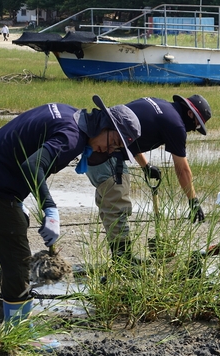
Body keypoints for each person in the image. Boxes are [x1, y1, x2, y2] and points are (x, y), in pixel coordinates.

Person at [0, 95, 141, 338]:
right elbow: (32, 166)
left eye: (117, 149)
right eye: (114, 142)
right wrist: (49, 207)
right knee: (18, 259)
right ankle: (20, 334)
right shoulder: (72, 137)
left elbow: (23, 147)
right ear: (105, 125)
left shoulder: (68, 112)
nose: (110, 150)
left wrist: (21, 198)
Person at [85, 94, 211, 262]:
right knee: (117, 204)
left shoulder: (156, 103)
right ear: (190, 114)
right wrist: (193, 200)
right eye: (195, 125)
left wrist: (145, 166)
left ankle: (122, 257)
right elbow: (183, 170)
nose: (193, 130)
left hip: (94, 147)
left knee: (110, 205)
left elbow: (129, 134)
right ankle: (124, 260)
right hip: (103, 152)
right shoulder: (176, 125)